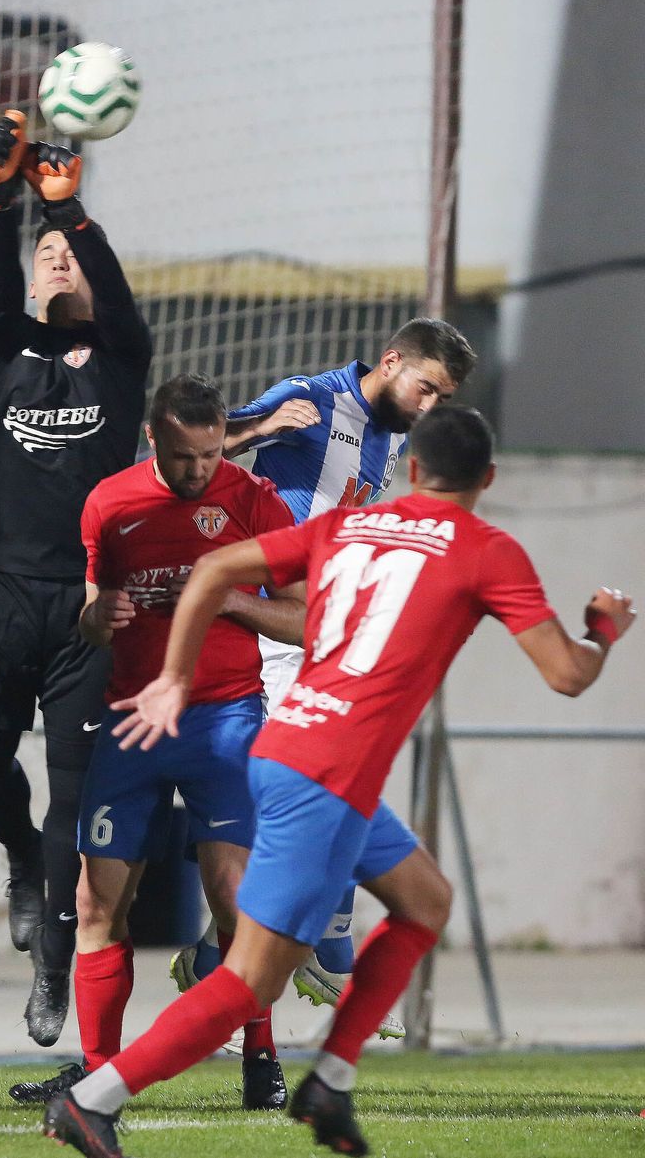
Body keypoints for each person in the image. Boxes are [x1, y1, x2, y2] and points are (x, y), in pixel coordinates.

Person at [42, 405, 634, 1158]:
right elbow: (567, 673)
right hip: (325, 773)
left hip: (296, 746)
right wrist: (603, 627)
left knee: (425, 900)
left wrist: (173, 675)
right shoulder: (488, 548)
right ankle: (92, 1101)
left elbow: (218, 566)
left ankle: (331, 1078)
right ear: (487, 479)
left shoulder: (348, 526)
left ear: (412, 469)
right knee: (248, 983)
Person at [172, 317, 476, 1035]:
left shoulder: (397, 429)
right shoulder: (309, 398)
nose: (431, 404)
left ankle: (228, 964)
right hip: (276, 628)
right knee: (322, 784)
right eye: (427, 386)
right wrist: (259, 428)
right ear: (392, 360)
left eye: (444, 396)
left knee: (331, 789)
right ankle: (304, 952)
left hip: (321, 631)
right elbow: (190, 448)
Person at [10, 374, 302, 1112]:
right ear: (153, 439)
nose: (196, 471)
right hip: (132, 722)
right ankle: (100, 1072)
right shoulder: (111, 503)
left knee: (235, 902)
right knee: (97, 899)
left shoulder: (253, 501)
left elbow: (307, 618)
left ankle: (260, 1054)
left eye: (207, 455)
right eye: (181, 456)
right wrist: (97, 616)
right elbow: (88, 613)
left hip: (225, 719)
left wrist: (226, 596)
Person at [0, 110, 152, 1048]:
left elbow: (111, 288)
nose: (55, 261)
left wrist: (69, 212)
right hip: (3, 597)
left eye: (64, 253)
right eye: (45, 255)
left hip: (86, 612)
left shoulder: (122, 357)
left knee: (73, 809)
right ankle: (19, 866)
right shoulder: (6, 344)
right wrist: (3, 199)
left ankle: (52, 977)